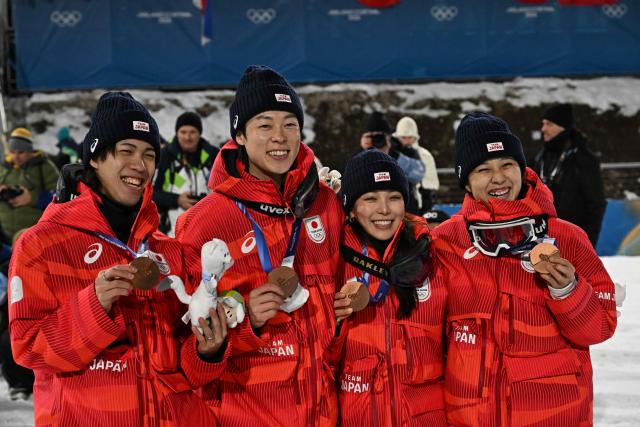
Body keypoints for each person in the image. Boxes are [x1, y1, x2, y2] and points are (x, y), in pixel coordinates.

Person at [8, 92, 222, 426]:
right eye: (126, 151)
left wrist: (208, 351)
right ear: (95, 157)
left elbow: (188, 369)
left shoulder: (169, 250)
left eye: (149, 154)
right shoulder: (41, 244)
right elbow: (28, 348)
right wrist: (94, 306)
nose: (140, 164)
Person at [176, 65, 344, 426]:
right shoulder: (205, 221)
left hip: (322, 411)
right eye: (265, 125)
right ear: (239, 135)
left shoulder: (325, 204)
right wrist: (245, 321)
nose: (280, 137)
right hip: (245, 412)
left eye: (290, 124)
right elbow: (186, 365)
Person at [433, 112, 617, 426]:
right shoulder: (444, 241)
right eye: (483, 169)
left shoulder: (567, 237)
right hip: (471, 416)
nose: (499, 178)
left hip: (553, 416)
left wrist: (568, 290)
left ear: (522, 168)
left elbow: (598, 328)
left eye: (507, 165)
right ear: (466, 179)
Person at [333, 150, 447, 426]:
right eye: (370, 198)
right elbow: (318, 361)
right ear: (350, 208)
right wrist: (332, 325)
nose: (384, 209)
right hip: (358, 416)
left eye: (394, 198)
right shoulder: (332, 262)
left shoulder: (434, 257)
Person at [533, 103, 606, 247]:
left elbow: (596, 205)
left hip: (573, 241)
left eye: (549, 124)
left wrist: (587, 242)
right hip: (542, 239)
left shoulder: (583, 159)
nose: (543, 129)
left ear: (562, 127)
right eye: (543, 124)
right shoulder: (540, 157)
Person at [153, 111, 219, 236]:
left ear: (200, 133)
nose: (187, 137)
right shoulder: (164, 157)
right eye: (183, 132)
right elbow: (150, 194)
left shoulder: (214, 156)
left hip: (209, 233)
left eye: (192, 132)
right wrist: (177, 200)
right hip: (172, 234)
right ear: (177, 133)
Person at [359, 112, 425, 214]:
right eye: (373, 136)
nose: (378, 140)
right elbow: (348, 178)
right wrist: (364, 151)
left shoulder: (404, 150)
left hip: (405, 209)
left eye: (381, 136)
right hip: (372, 211)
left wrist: (392, 155)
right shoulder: (359, 155)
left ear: (389, 136)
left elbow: (418, 174)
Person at [0, 127, 59, 239]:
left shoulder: (44, 167)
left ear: (30, 151)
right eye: (12, 152)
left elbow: (61, 198)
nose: (15, 157)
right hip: (4, 235)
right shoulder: (3, 167)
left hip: (34, 235)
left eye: (21, 152)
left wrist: (33, 198)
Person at [393, 116, 439, 212]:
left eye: (410, 137)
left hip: (418, 204)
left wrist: (426, 203)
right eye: (403, 137)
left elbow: (431, 182)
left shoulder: (425, 155)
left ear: (415, 137)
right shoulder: (391, 155)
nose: (406, 141)